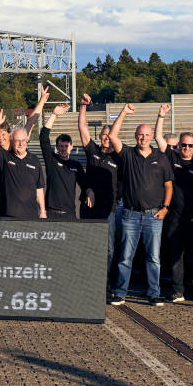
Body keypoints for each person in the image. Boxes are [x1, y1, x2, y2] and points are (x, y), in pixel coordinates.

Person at [106, 103, 173, 306]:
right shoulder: (127, 155)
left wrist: (165, 208)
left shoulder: (160, 158)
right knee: (126, 257)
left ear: (151, 136)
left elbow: (169, 186)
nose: (142, 138)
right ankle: (120, 293)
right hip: (130, 215)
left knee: (153, 258)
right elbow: (113, 136)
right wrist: (124, 113)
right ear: (136, 136)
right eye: (139, 135)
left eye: (146, 135)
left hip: (154, 216)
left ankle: (153, 293)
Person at [154, 105, 193, 303]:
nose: (186, 148)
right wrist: (161, 116)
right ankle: (177, 292)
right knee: (175, 257)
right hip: (174, 217)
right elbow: (158, 138)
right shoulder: (172, 158)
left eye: (190, 145)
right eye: (183, 145)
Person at [77, 93, 122, 291]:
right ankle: (88, 281)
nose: (105, 138)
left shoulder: (119, 158)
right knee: (88, 246)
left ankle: (107, 283)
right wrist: (83, 107)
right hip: (89, 207)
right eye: (103, 135)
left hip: (109, 209)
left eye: (109, 135)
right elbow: (82, 128)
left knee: (109, 249)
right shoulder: (92, 151)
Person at [0, 107, 47, 219]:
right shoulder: (5, 157)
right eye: (17, 141)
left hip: (30, 215)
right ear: (12, 141)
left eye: (23, 140)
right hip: (7, 215)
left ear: (27, 141)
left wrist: (42, 210)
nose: (21, 144)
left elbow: (39, 188)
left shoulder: (34, 160)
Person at [40, 98, 87, 220]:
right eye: (60, 146)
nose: (63, 149)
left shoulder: (76, 166)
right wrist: (54, 115)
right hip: (50, 213)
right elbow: (43, 138)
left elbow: (85, 185)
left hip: (69, 214)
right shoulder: (52, 161)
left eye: (66, 146)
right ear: (56, 147)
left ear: (71, 147)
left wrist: (90, 192)